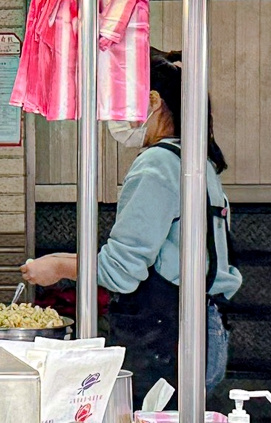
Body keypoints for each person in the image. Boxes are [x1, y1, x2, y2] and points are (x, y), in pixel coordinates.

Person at [21, 50, 241, 398]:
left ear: (154, 101)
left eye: (120, 106)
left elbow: (121, 270)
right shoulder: (195, 161)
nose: (115, 119)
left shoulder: (157, 164)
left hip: (167, 338)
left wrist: (58, 265)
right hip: (203, 327)